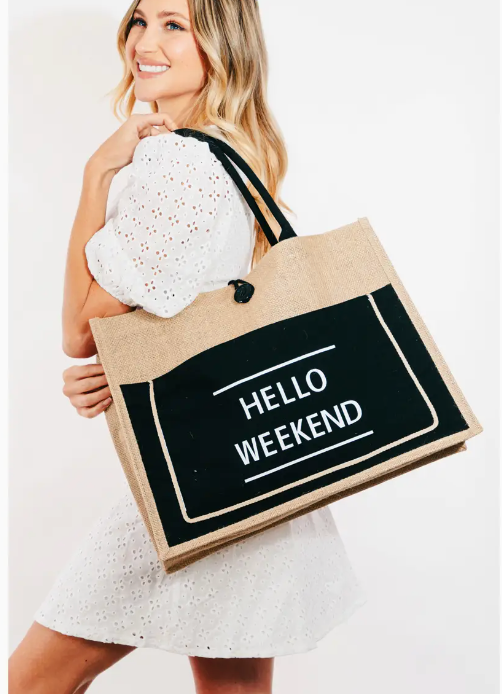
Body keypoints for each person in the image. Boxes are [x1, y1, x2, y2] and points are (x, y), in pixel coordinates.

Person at [9, 0, 367, 691]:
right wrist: (115, 366)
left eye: (175, 24)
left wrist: (96, 173)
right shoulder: (231, 156)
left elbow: (78, 329)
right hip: (255, 465)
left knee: (31, 681)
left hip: (194, 482)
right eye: (140, 20)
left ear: (222, 45)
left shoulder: (176, 163)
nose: (144, 41)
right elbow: (191, 313)